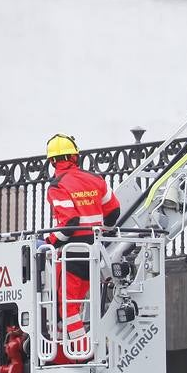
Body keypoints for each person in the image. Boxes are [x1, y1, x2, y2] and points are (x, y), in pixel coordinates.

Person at [43, 133, 120, 360]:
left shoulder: (57, 186)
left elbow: (69, 223)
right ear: (76, 156)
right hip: (95, 251)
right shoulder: (95, 179)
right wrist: (101, 231)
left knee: (68, 307)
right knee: (87, 302)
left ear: (52, 161)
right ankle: (65, 345)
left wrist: (49, 242)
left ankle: (81, 349)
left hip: (73, 253)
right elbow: (113, 212)